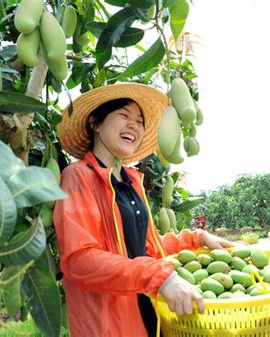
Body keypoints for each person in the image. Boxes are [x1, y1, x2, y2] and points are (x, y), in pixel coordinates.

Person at [53, 83, 234, 337]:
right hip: (109, 325)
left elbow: (143, 250)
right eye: (124, 116)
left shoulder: (131, 181)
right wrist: (160, 277)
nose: (134, 126)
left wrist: (196, 239)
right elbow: (79, 261)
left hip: (148, 316)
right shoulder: (77, 177)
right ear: (95, 122)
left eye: (139, 121)